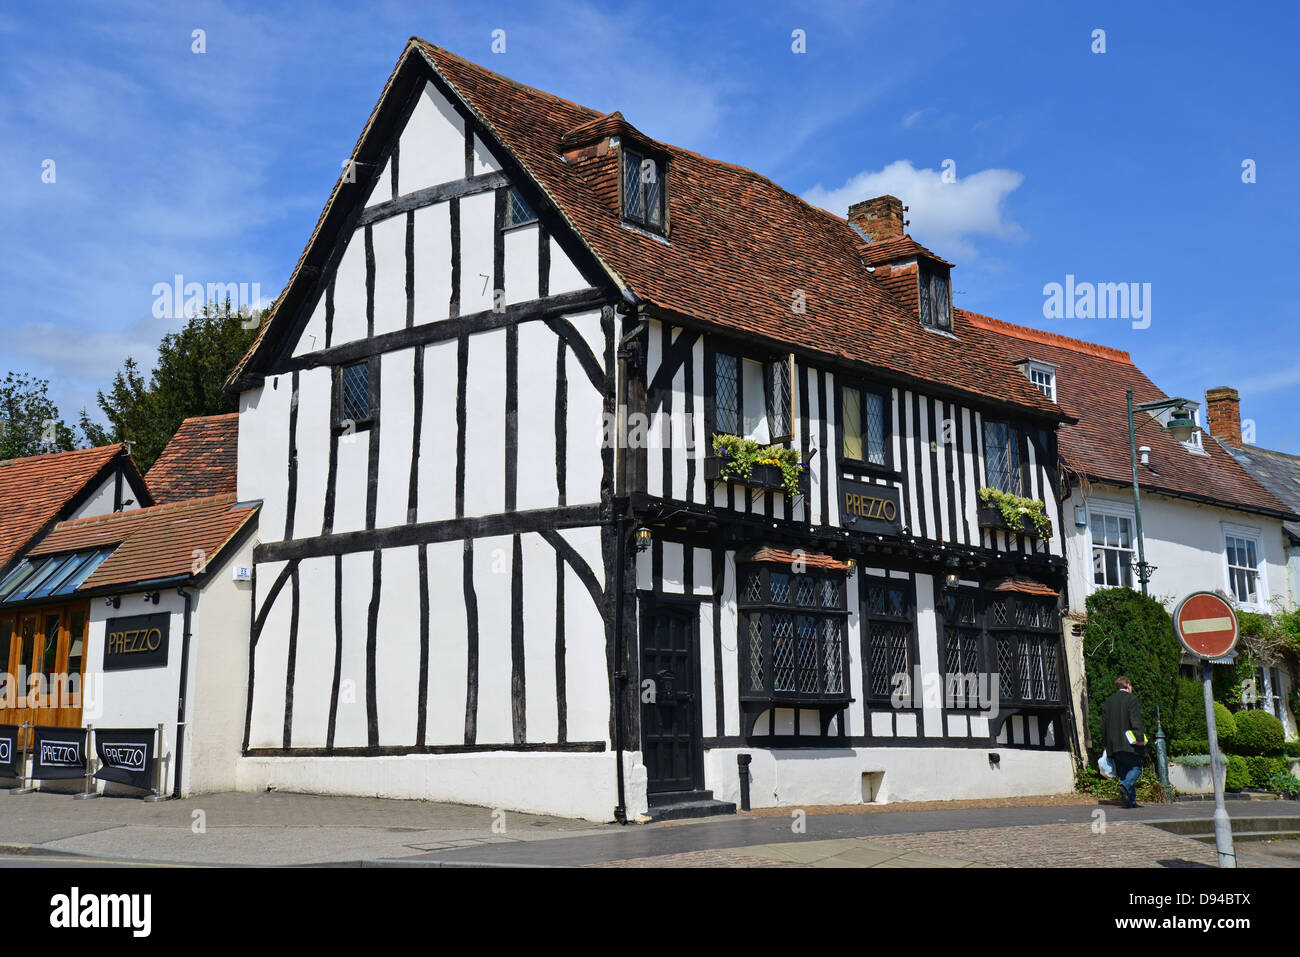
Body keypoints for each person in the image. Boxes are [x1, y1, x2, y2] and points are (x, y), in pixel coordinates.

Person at [1102, 675, 1147, 808]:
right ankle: (1125, 785)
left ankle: (1130, 801)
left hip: (1113, 745)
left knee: (1124, 772)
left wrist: (1105, 744)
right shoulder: (1131, 699)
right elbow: (1135, 719)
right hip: (1129, 743)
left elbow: (1103, 724)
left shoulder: (1109, 701)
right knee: (1136, 768)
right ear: (1128, 686)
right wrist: (1140, 738)